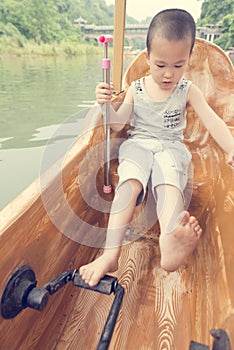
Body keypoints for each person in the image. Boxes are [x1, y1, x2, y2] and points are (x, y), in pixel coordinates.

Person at [80, 9, 234, 287]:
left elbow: (213, 121)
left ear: (188, 61)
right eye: (161, 64)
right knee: (129, 183)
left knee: (169, 182)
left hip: (170, 146)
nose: (168, 74)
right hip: (138, 143)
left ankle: (170, 238)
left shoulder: (187, 90)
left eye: (178, 65)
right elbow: (116, 126)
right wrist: (104, 105)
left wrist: (231, 148)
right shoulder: (136, 89)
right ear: (148, 57)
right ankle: (110, 254)